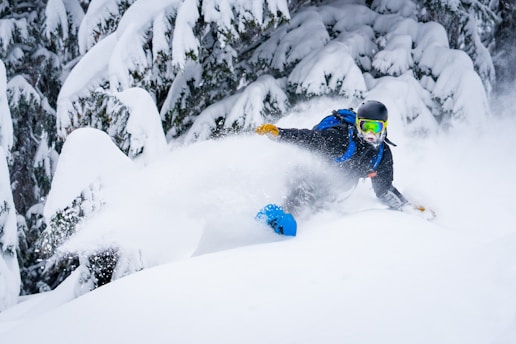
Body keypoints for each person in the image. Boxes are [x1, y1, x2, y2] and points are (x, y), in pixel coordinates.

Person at [255, 100, 427, 216]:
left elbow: (384, 190)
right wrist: (280, 134)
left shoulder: (381, 156)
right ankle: (282, 217)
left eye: (375, 127)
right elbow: (310, 139)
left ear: (384, 127)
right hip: (308, 174)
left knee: (320, 206)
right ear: (358, 124)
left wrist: (409, 207)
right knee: (306, 189)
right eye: (365, 126)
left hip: (334, 191)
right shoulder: (341, 139)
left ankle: (298, 231)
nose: (370, 133)